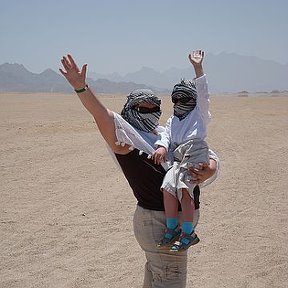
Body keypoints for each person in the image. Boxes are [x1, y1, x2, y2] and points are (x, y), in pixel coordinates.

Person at [59, 53, 219, 288]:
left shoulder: (163, 132)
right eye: (143, 106)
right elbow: (102, 115)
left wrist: (210, 170)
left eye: (155, 106)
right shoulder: (126, 136)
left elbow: (206, 152)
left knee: (156, 278)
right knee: (169, 281)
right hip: (159, 223)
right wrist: (81, 88)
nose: (150, 110)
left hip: (167, 225)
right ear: (131, 109)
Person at [153, 50, 211, 252]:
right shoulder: (172, 119)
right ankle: (172, 229)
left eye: (183, 98)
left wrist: (197, 67)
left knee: (185, 191)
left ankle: (189, 233)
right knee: (168, 188)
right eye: (175, 99)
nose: (178, 103)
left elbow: (203, 93)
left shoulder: (199, 113)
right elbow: (166, 136)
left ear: (191, 98)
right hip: (178, 156)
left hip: (194, 152)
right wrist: (161, 146)